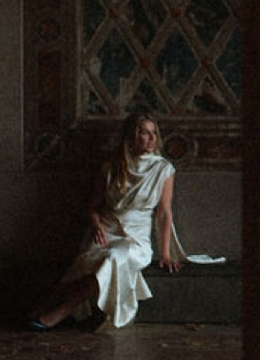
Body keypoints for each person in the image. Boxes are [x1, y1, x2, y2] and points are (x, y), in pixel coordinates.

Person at [25, 112, 183, 331]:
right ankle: (45, 307)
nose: (152, 138)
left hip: (135, 239)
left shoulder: (163, 169)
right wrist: (96, 225)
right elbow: (93, 206)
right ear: (132, 136)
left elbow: (164, 212)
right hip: (106, 230)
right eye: (145, 133)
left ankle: (58, 313)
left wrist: (165, 253)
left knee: (112, 258)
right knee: (86, 263)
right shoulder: (110, 167)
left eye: (154, 133)